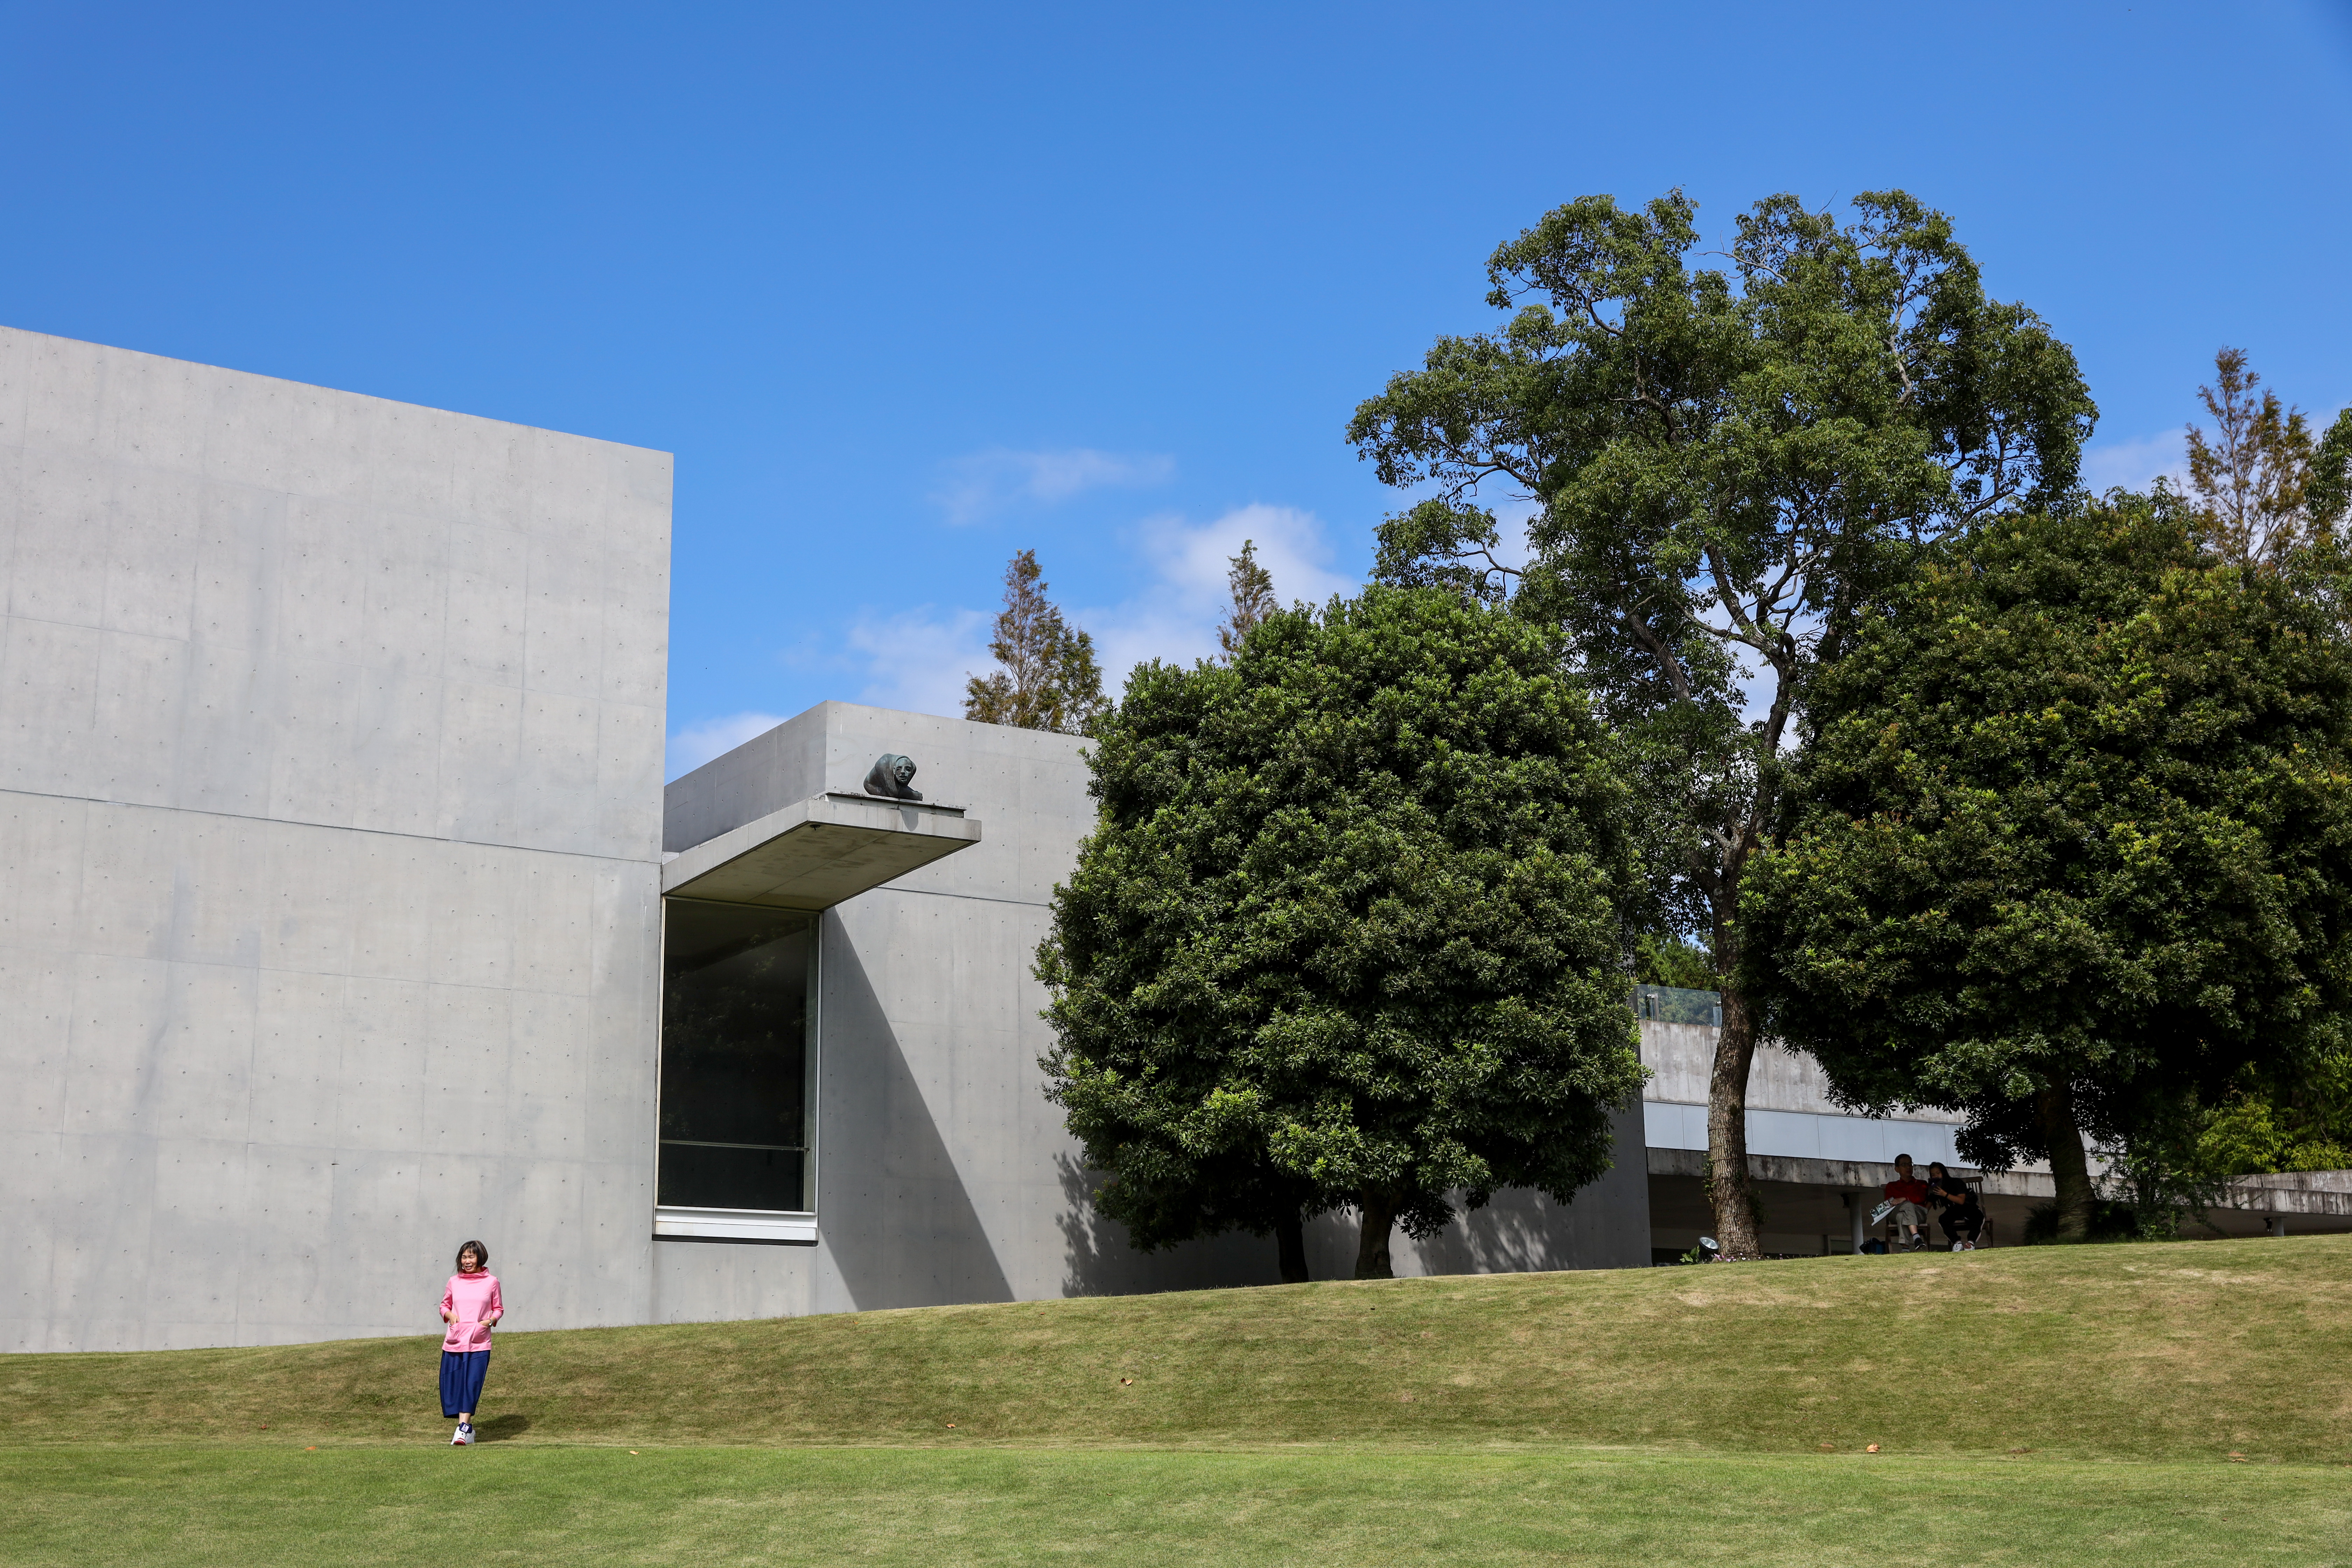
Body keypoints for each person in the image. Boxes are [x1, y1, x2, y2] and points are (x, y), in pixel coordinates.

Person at [439, 1240, 503, 1446]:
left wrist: (489, 1321)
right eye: (464, 1257)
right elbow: (444, 1305)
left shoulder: (491, 1282)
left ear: (480, 1258)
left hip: (479, 1342)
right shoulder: (454, 1281)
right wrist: (450, 1316)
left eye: (471, 1257)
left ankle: (463, 1429)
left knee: (472, 1385)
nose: (467, 1261)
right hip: (455, 1341)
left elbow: (498, 1309)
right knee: (455, 1386)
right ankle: (466, 1431)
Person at [1927, 1162, 1985, 1250]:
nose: (1936, 1176)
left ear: (1944, 1172)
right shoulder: (1936, 1188)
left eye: (1938, 1173)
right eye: (1933, 1175)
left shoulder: (1956, 1182)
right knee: (1943, 1219)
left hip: (1968, 1207)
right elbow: (1927, 1206)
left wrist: (1945, 1194)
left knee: (1978, 1217)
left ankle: (1970, 1243)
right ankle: (1957, 1243)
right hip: (1954, 1211)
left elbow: (1961, 1201)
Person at [1881, 1154, 1932, 1251]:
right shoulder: (1891, 1186)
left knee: (1903, 1215)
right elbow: (1889, 1204)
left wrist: (1904, 1199)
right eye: (1904, 1165)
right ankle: (1916, 1237)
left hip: (1918, 1213)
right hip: (1895, 1213)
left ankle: (1905, 1248)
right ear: (1897, 1169)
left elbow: (1921, 1198)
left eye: (1910, 1164)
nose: (1908, 1167)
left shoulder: (1922, 1184)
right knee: (1906, 1207)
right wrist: (1905, 1201)